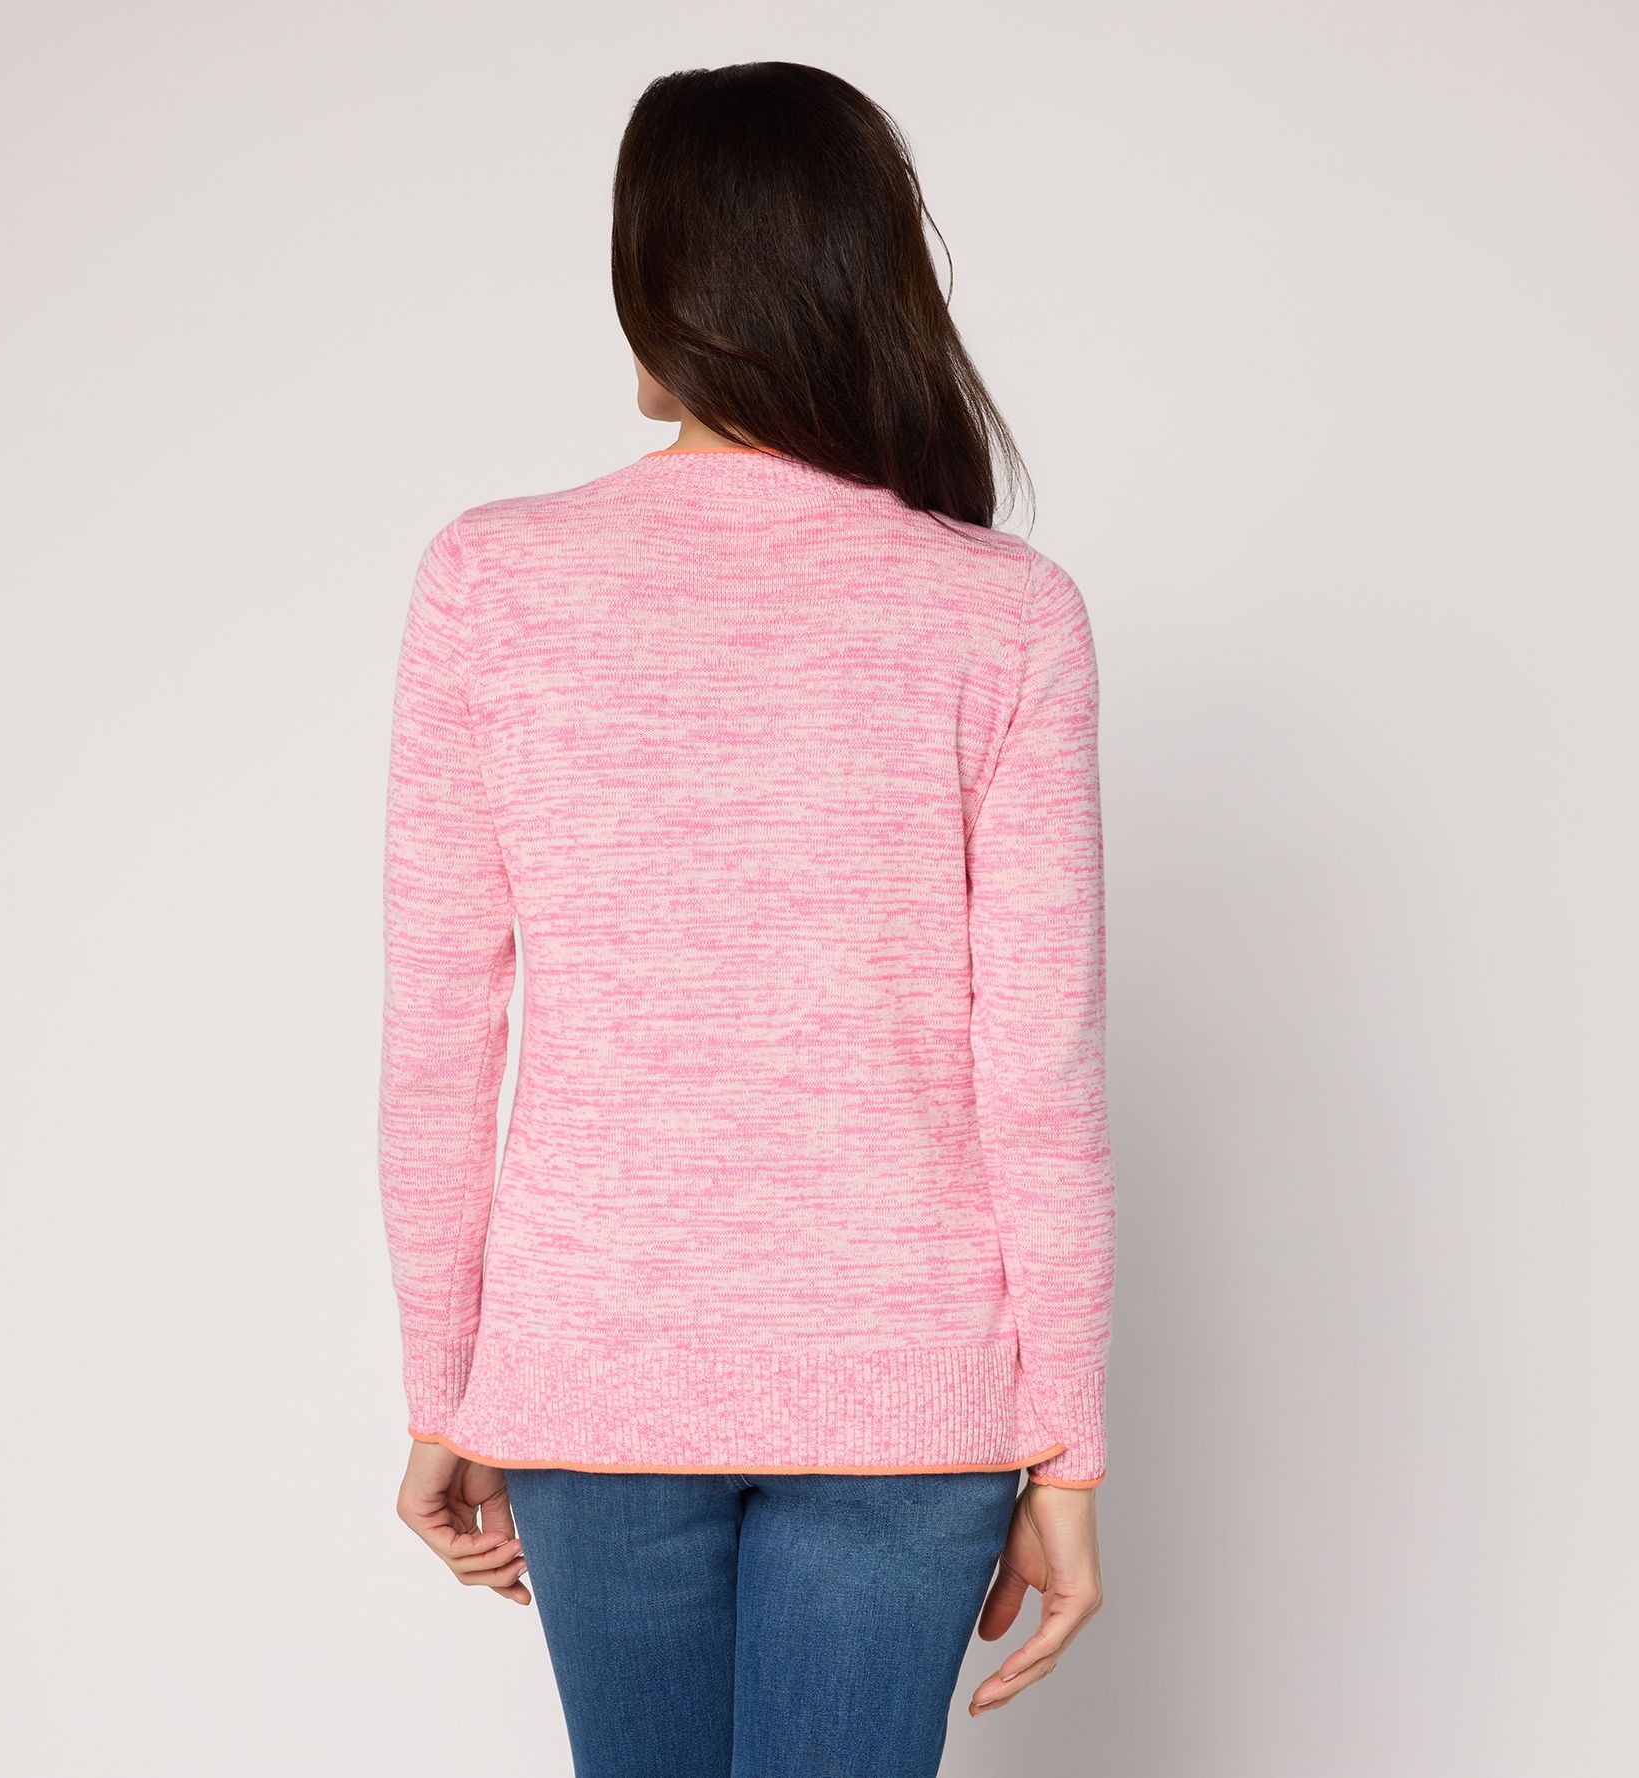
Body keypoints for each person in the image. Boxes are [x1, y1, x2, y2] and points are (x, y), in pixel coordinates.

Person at [378, 60, 1116, 1778]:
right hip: (910, 1392)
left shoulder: (493, 579)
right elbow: (1042, 1068)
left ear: (670, 280)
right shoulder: (1004, 613)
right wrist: (1068, 1449)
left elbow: (438, 1034)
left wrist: (446, 1387)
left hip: (596, 1377)